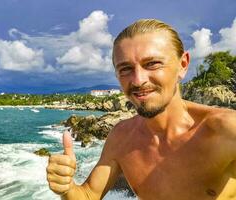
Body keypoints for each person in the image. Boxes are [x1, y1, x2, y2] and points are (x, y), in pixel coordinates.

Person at [46, 19, 236, 200]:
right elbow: (88, 195)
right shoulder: (122, 137)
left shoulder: (224, 130)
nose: (138, 80)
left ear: (183, 65)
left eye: (152, 64)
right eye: (126, 69)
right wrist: (67, 187)